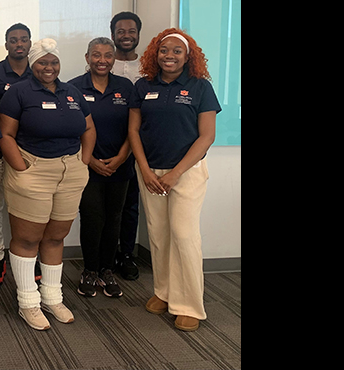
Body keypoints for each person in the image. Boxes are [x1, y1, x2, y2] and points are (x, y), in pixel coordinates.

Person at [0, 38, 95, 331]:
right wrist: (22, 168)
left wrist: (84, 162)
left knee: (56, 236)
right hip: (32, 170)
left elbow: (88, 127)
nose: (48, 67)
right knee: (27, 238)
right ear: (32, 63)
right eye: (42, 62)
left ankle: (52, 297)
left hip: (70, 170)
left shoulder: (71, 91)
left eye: (53, 62)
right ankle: (28, 302)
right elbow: (5, 135)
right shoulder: (18, 93)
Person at [128, 28, 220, 332]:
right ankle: (164, 292)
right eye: (164, 50)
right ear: (156, 53)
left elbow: (207, 136)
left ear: (188, 56)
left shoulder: (200, 87)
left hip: (187, 173)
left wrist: (176, 173)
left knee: (184, 235)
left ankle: (190, 304)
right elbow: (134, 131)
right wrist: (144, 168)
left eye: (176, 51)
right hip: (151, 172)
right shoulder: (143, 86)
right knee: (159, 234)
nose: (169, 56)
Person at [67, 37, 137, 298]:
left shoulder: (126, 87)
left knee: (114, 219)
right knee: (93, 219)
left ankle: (107, 270)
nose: (102, 60)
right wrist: (91, 161)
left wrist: (120, 158)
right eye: (96, 55)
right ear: (87, 58)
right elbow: (72, 131)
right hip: (87, 167)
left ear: (114, 59)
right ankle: (90, 270)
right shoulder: (73, 87)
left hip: (121, 166)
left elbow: (134, 128)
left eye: (108, 55)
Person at [0, 23, 36, 288]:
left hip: (32, 156)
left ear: (30, 44)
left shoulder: (41, 72)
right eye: (14, 40)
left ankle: (29, 258)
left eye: (23, 40)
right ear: (6, 44)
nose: (19, 44)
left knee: (28, 210)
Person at [110, 11, 144, 281]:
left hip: (139, 148)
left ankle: (127, 254)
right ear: (113, 35)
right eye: (121, 31)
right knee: (104, 205)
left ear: (138, 35)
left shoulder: (148, 68)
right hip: (105, 146)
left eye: (131, 31)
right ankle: (104, 256)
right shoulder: (103, 64)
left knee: (130, 204)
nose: (126, 36)